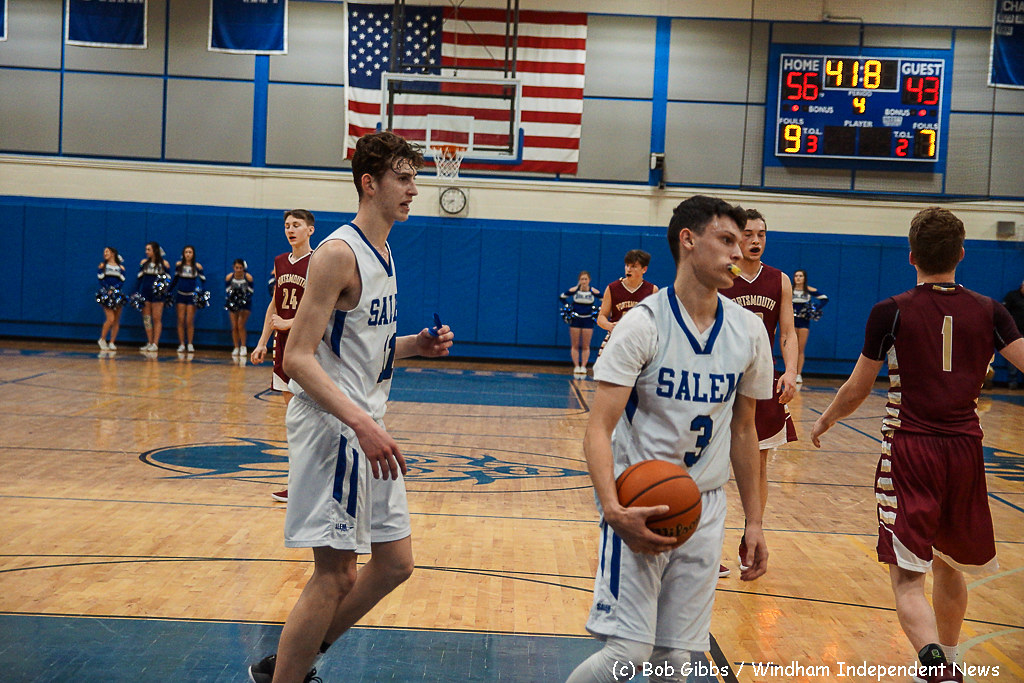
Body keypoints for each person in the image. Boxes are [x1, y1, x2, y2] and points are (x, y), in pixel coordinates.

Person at [246, 131, 454, 683]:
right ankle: (287, 675)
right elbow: (299, 357)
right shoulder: (338, 253)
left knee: (394, 564)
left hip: (365, 423)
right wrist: (360, 422)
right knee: (335, 575)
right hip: (336, 428)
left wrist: (413, 345)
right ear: (370, 183)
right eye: (404, 179)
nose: (414, 189)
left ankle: (293, 660)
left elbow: (360, 342)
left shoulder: (384, 249)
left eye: (415, 178)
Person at [810, 207, 1024, 683]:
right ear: (962, 254)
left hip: (910, 450)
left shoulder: (892, 310)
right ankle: (952, 659)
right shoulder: (992, 310)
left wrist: (825, 419)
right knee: (949, 564)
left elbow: (858, 388)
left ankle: (933, 667)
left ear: (911, 257)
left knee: (908, 574)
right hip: (966, 451)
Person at [564, 195, 771, 683]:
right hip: (639, 504)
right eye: (726, 241)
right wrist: (613, 510)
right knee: (628, 656)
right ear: (688, 240)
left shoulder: (749, 330)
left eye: (741, 243)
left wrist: (756, 521)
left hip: (706, 507)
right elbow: (598, 427)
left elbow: (744, 431)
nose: (738, 253)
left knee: (677, 662)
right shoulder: (643, 324)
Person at [718, 208, 797, 577]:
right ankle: (704, 546)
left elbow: (787, 332)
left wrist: (792, 371)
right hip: (721, 379)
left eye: (761, 234)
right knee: (712, 464)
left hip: (762, 381)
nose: (755, 240)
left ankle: (752, 536)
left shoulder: (779, 280)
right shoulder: (722, 275)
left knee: (759, 465)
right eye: (748, 233)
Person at [251, 209, 316, 503]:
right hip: (282, 349)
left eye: (296, 225)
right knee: (293, 422)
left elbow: (321, 307)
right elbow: (275, 304)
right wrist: (262, 341)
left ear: (310, 230)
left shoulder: (318, 261)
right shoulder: (280, 262)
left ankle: (311, 483)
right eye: (287, 226)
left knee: (310, 421)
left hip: (308, 348)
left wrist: (291, 323)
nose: (290, 230)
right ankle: (297, 484)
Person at [595, 249, 658, 353]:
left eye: (633, 266)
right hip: (616, 338)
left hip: (640, 340)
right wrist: (609, 326)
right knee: (604, 367)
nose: (628, 269)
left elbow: (656, 320)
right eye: (627, 266)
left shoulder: (652, 290)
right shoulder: (612, 288)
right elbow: (601, 317)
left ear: (644, 269)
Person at [560, 271, 602, 376]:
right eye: (582, 279)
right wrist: (568, 307)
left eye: (586, 279)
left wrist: (598, 310)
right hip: (576, 319)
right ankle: (576, 366)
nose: (584, 281)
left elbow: (605, 299)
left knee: (586, 345)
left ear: (589, 280)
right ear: (579, 280)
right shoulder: (574, 290)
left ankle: (583, 366)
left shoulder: (593, 291)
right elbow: (562, 297)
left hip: (588, 319)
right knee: (575, 345)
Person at [791, 268, 828, 384]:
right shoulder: (789, 289)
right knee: (791, 349)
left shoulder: (808, 290)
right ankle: (790, 372)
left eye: (801, 276)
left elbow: (824, 299)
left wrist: (813, 309)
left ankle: (798, 374)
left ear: (804, 278)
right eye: (796, 276)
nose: (798, 278)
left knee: (800, 349)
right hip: (791, 321)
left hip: (803, 322)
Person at [135, 241, 171, 352]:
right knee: (146, 318)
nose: (146, 252)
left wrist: (163, 292)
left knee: (156, 318)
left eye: (148, 249)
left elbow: (168, 281)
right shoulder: (144, 262)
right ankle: (149, 342)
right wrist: (137, 293)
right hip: (145, 293)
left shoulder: (165, 264)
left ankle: (155, 343)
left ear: (155, 250)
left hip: (158, 294)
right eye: (146, 249)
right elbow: (139, 279)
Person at [169, 245, 205, 353]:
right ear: (183, 254)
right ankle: (181, 344)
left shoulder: (197, 266)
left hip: (191, 296)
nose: (188, 254)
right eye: (186, 252)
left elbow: (203, 281)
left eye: (190, 252)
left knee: (189, 321)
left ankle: (190, 343)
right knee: (180, 319)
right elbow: (174, 280)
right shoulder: (179, 265)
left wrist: (201, 294)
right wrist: (168, 291)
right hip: (181, 295)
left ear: (193, 254)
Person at [96, 246, 126, 351]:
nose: (105, 253)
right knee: (110, 319)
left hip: (117, 294)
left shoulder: (120, 267)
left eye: (107, 251)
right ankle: (102, 339)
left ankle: (112, 342)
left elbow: (122, 281)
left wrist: (115, 288)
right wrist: (108, 289)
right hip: (106, 294)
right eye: (104, 252)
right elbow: (100, 279)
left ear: (113, 253)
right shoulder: (103, 266)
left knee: (116, 320)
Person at [226, 259, 255, 357]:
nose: (238, 270)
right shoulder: (229, 277)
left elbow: (251, 292)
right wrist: (234, 299)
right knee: (234, 326)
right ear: (233, 268)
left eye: (240, 268)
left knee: (240, 325)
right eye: (236, 268)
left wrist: (242, 299)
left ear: (244, 268)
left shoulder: (248, 277)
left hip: (245, 304)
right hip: (233, 303)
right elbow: (228, 291)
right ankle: (236, 347)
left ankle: (243, 346)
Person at [1002, 278, 1024, 388]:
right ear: (1022, 286)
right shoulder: (1012, 296)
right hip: (1015, 333)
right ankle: (1012, 381)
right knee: (1013, 359)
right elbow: (1003, 311)